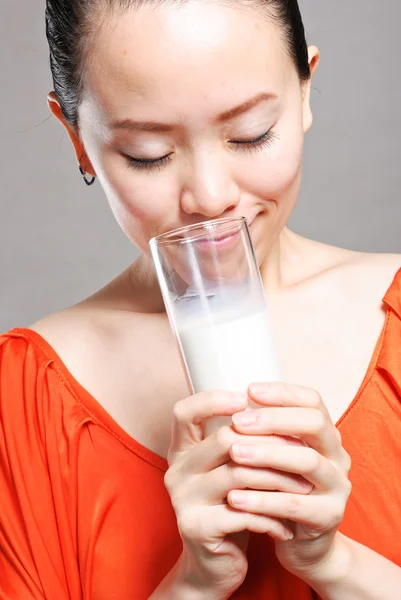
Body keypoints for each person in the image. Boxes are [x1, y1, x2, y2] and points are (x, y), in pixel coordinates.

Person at [1, 0, 400, 598]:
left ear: (305, 91)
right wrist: (193, 585)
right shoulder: (23, 399)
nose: (211, 199)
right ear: (77, 139)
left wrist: (336, 564)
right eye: (148, 154)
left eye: (251, 134)